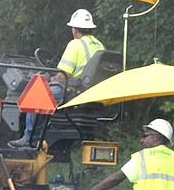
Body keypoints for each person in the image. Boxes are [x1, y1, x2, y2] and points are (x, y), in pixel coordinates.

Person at [9, 8, 105, 148]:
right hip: (93, 91)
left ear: (74, 29)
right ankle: (43, 130)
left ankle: (29, 138)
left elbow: (65, 74)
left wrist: (52, 79)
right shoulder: (100, 45)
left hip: (74, 90)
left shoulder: (76, 44)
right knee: (44, 93)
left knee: (35, 95)